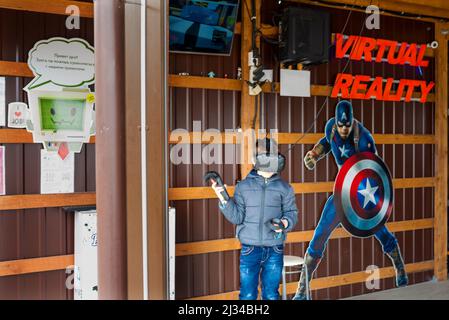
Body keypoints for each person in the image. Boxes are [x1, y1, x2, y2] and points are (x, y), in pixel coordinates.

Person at [293, 100, 408, 300]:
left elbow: (375, 170)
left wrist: (370, 199)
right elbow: (326, 143)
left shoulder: (364, 139)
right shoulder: (331, 128)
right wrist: (314, 154)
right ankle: (302, 290)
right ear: (336, 122)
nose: (344, 129)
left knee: (379, 227)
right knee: (320, 233)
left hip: (365, 192)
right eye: (340, 125)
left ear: (353, 121)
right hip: (342, 193)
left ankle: (399, 267)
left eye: (347, 125)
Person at [212, 138, 298, 300]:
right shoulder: (243, 187)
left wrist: (284, 223)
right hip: (249, 249)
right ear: (254, 159)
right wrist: (223, 198)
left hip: (275, 248)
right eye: (263, 156)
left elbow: (291, 212)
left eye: (272, 155)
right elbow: (237, 216)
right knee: (248, 295)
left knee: (271, 294)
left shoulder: (285, 188)